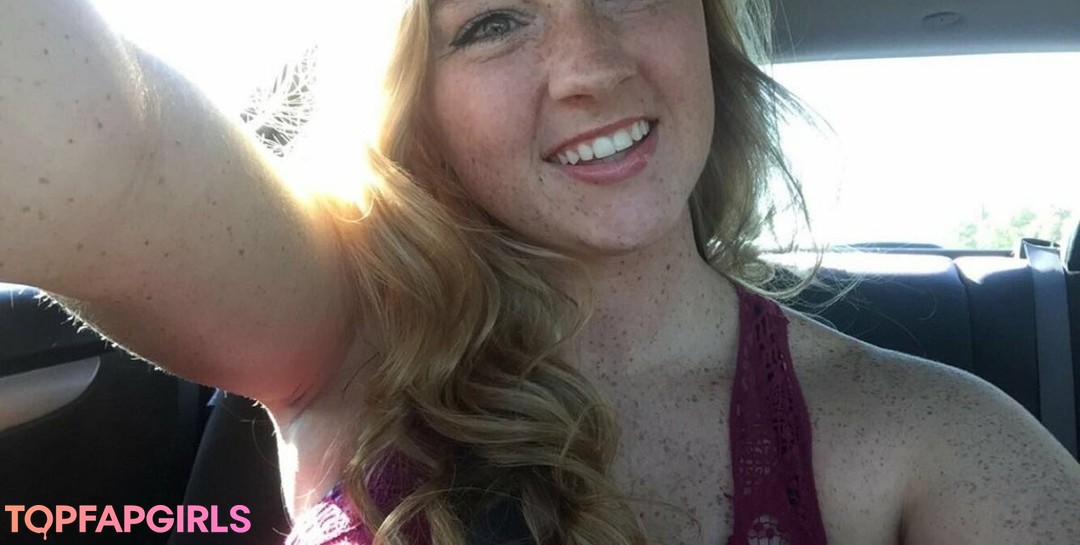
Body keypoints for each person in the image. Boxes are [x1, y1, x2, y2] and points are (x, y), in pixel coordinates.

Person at [2, 1, 1079, 544]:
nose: (592, 68)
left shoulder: (941, 438)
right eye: (495, 21)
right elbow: (103, 140)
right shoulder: (346, 325)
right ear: (414, 98)